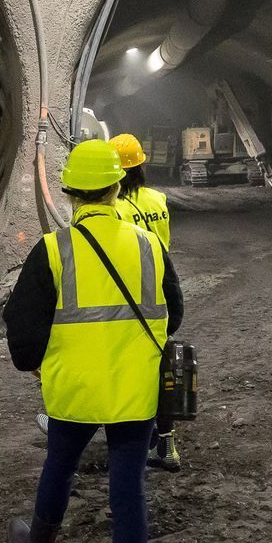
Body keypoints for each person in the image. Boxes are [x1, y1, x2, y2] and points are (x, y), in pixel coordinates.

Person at [3, 139, 184, 543]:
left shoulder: (53, 250)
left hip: (74, 391)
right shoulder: (150, 247)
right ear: (117, 187)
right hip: (133, 393)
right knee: (129, 491)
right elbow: (175, 311)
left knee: (59, 467)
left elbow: (22, 329)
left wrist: (38, 364)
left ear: (71, 195)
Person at [110, 133, 180, 470]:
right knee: (160, 368)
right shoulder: (158, 199)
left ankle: (121, 435)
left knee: (121, 367)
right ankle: (166, 445)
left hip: (126, 297)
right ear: (142, 164)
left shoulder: (114, 208)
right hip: (160, 292)